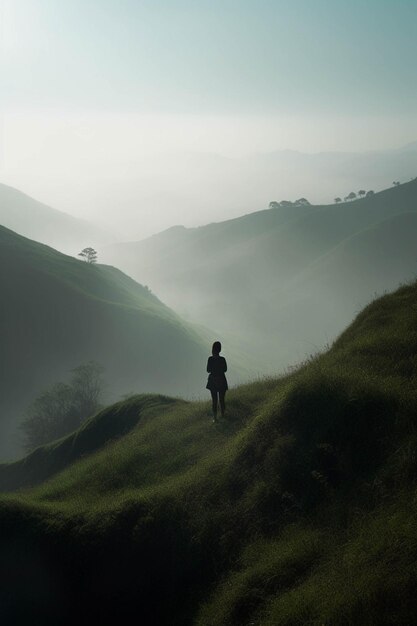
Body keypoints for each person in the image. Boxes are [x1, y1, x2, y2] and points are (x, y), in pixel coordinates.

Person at [206, 341, 228, 422]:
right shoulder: (222, 359)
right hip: (222, 379)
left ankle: (215, 418)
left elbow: (208, 370)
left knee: (214, 400)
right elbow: (225, 369)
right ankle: (223, 415)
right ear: (220, 349)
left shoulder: (210, 359)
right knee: (222, 399)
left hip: (212, 381)